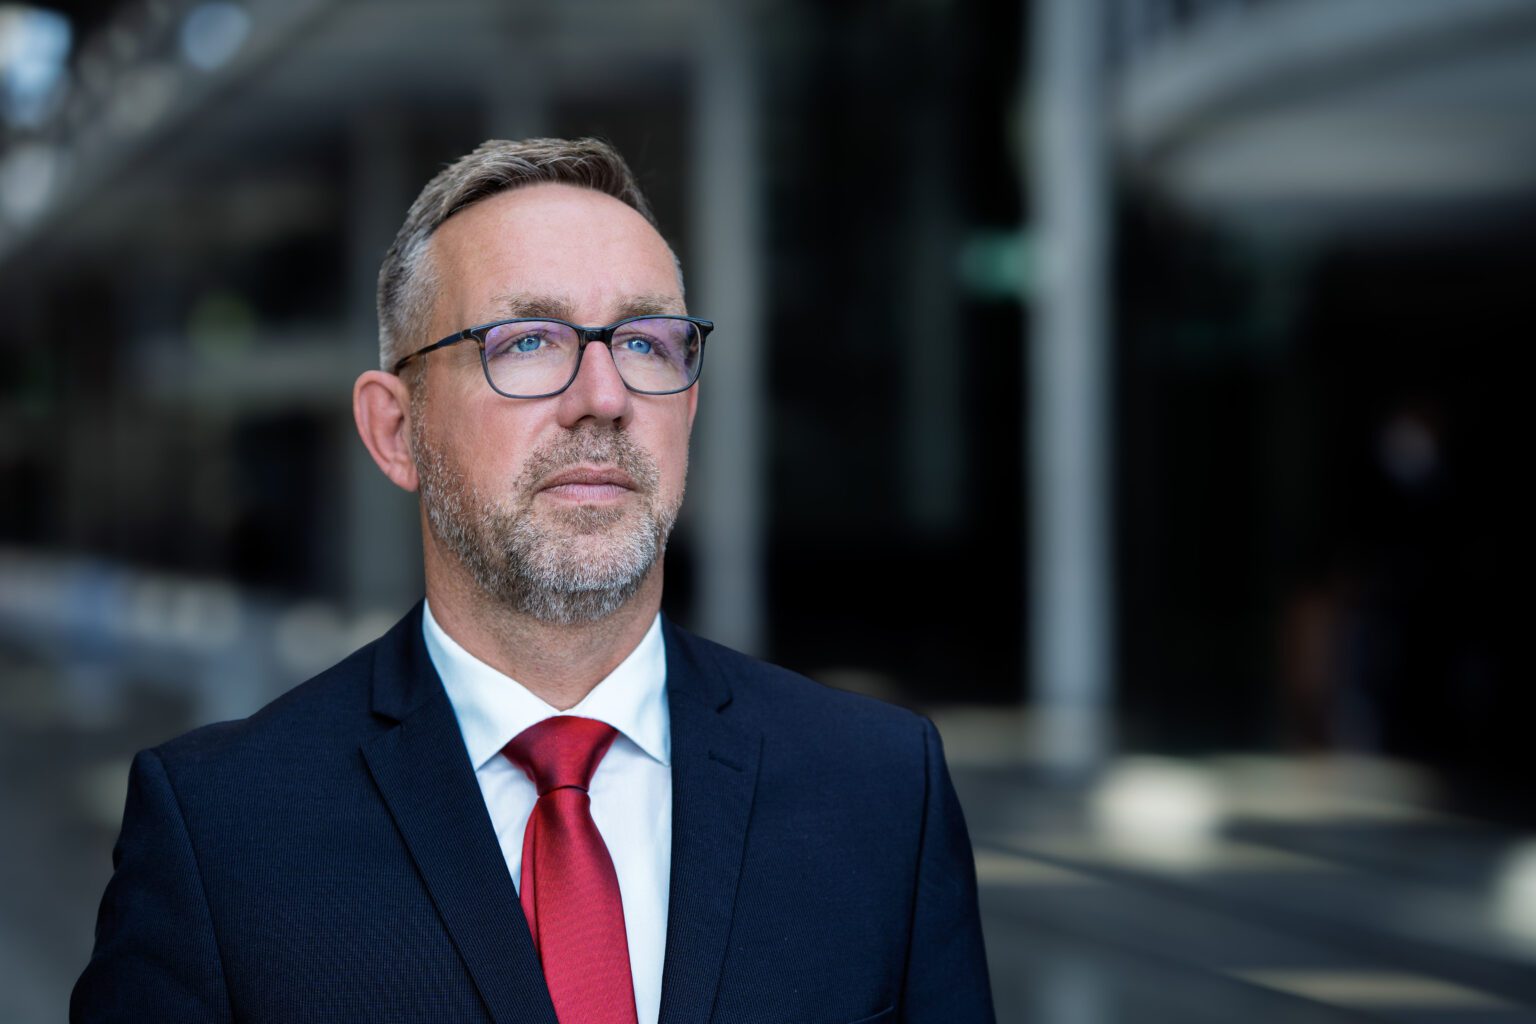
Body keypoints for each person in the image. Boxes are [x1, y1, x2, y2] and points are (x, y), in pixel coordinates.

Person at [71, 137, 994, 1024]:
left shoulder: (879, 792)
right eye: (526, 342)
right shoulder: (220, 831)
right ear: (396, 430)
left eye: (645, 343)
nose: (604, 397)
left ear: (688, 407)